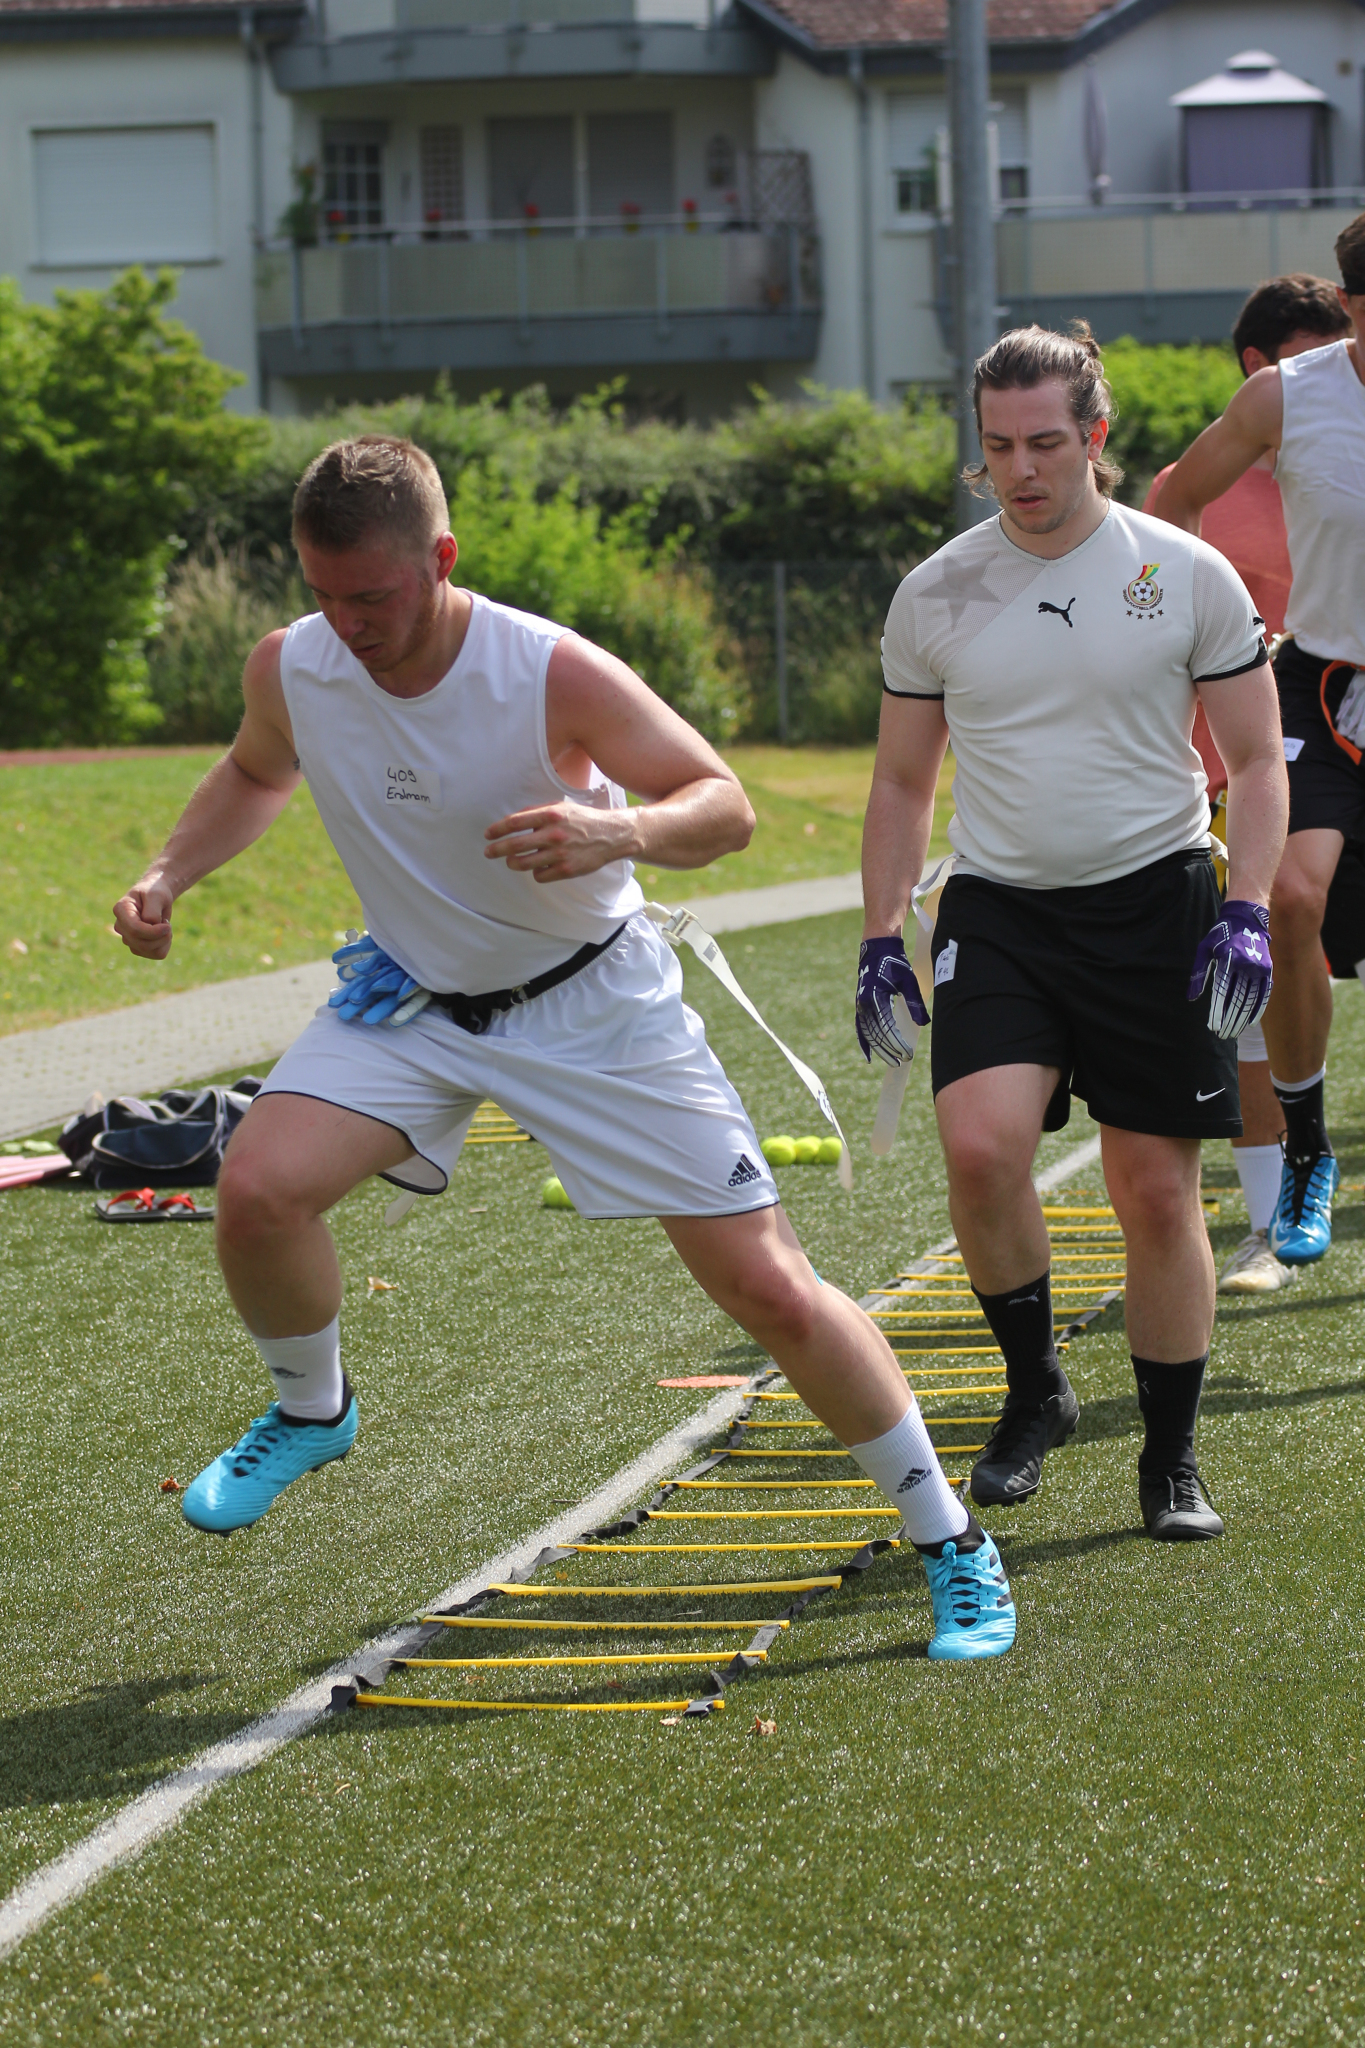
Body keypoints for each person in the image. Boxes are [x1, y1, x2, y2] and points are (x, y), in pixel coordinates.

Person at [113, 434, 1016, 1663]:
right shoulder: (294, 661)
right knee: (260, 1192)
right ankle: (312, 1408)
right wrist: (168, 872)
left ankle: (951, 1536)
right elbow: (254, 771)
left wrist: (617, 831)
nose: (347, 625)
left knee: (767, 1287)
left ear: (441, 558)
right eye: (322, 594)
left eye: (370, 596)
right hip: (414, 1001)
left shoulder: (547, 668)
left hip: (593, 1005)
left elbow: (724, 804)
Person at [857, 324, 1287, 1541]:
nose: (1022, 469)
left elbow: (1258, 760)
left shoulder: (1185, 572)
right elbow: (901, 780)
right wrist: (882, 931)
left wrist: (1248, 908)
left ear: (1096, 436)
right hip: (1000, 907)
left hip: (1158, 901)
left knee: (1152, 1188)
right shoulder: (937, 591)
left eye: (1046, 442)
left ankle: (1170, 1455)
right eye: (998, 447)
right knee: (980, 1147)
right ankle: (1035, 1387)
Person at [1155, 216, 1365, 1267]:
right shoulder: (1287, 395)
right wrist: (1190, 639)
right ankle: (1308, 1149)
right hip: (1319, 689)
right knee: (1286, 898)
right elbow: (1173, 499)